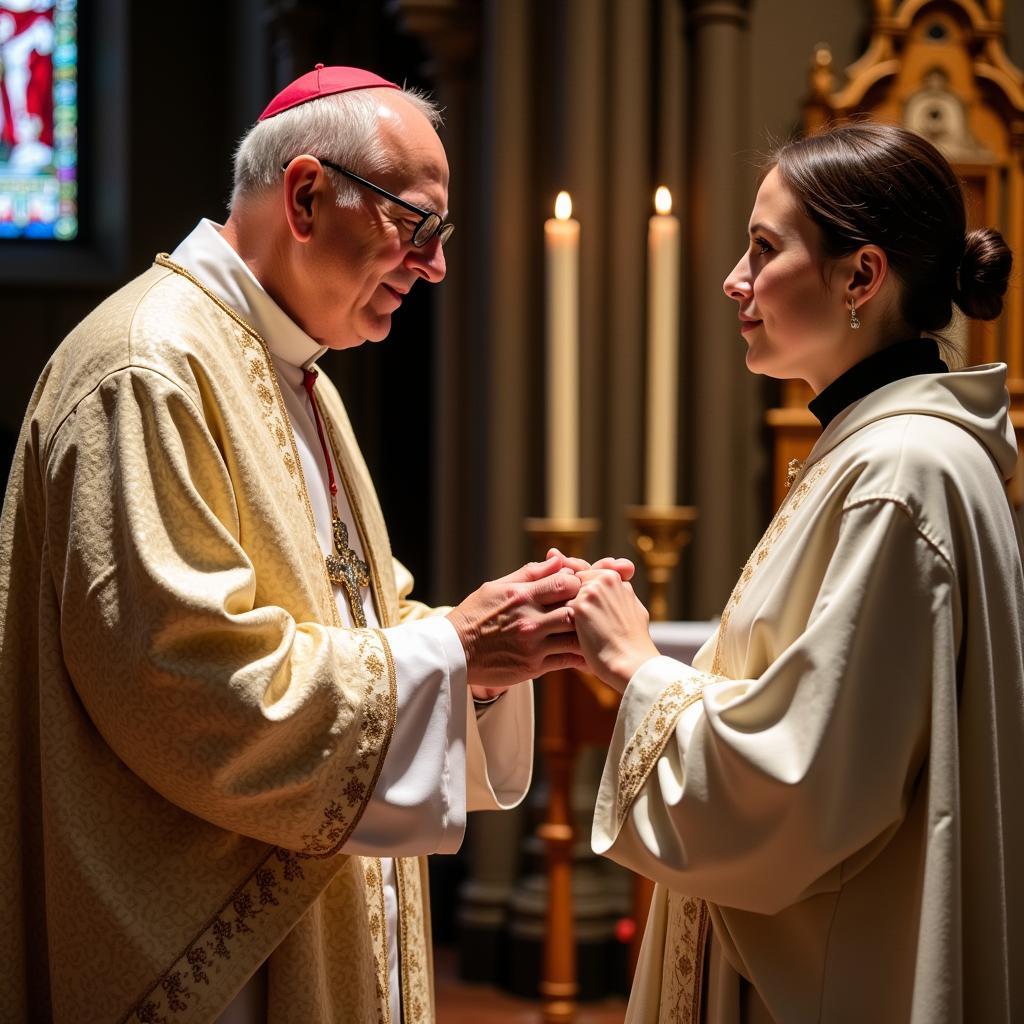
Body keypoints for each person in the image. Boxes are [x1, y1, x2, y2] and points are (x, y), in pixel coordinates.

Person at [0, 66, 631, 1023]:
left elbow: (356, 616)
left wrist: (488, 662)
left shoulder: (298, 376)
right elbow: (183, 679)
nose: (436, 265)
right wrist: (452, 648)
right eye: (417, 225)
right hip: (209, 966)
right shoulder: (148, 365)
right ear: (305, 196)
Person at [570, 122, 1023, 1022]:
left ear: (861, 277)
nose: (735, 281)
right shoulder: (881, 452)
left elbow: (807, 790)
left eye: (763, 250)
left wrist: (638, 670)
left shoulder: (901, 472)